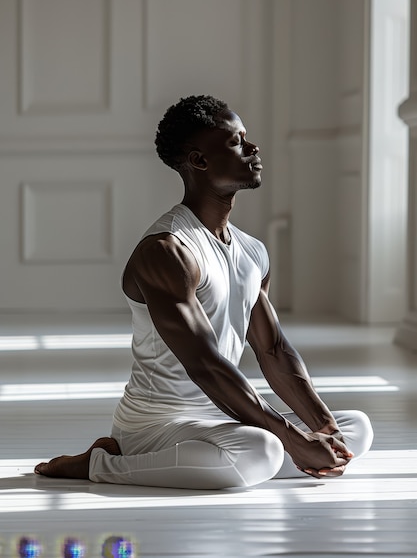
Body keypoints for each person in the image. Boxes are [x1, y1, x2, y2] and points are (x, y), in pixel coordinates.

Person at [35, 95, 373, 489]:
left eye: (246, 138)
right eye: (235, 141)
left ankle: (267, 453)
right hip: (160, 422)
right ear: (199, 161)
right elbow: (205, 364)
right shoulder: (167, 250)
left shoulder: (252, 250)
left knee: (355, 428)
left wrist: (324, 429)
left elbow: (273, 350)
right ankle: (100, 464)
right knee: (260, 451)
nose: (253, 148)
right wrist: (294, 438)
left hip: (227, 417)